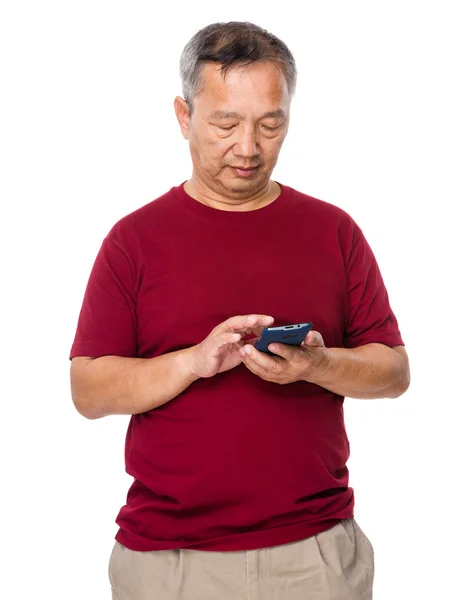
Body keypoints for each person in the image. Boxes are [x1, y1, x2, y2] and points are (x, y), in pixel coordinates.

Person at [70, 21, 410, 600]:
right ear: (184, 116)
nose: (248, 148)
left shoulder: (334, 231)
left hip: (316, 555)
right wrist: (192, 362)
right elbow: (88, 391)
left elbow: (394, 372)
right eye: (225, 124)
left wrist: (317, 366)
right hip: (170, 562)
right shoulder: (133, 241)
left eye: (270, 125)